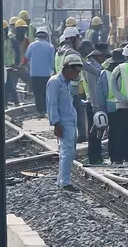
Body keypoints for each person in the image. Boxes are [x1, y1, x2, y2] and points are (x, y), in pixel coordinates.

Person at [48, 53, 85, 191]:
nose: (77, 75)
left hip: (70, 120)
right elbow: (51, 104)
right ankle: (65, 183)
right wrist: (56, 123)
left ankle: (61, 180)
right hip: (63, 122)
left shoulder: (68, 83)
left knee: (69, 152)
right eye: (76, 72)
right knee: (67, 151)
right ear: (68, 69)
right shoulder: (55, 82)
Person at [81, 45, 110, 164]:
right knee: (95, 132)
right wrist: (98, 107)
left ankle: (96, 156)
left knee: (96, 132)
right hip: (94, 104)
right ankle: (94, 157)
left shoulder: (91, 66)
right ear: (98, 56)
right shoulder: (92, 68)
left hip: (91, 103)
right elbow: (94, 89)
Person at [99, 48, 125, 163]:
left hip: (110, 107)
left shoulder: (104, 73)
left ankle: (113, 157)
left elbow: (101, 93)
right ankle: (120, 157)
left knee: (112, 133)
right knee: (122, 132)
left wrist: (101, 109)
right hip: (123, 106)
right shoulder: (123, 72)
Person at [25, 27, 56, 115]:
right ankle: (46, 110)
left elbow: (27, 57)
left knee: (37, 92)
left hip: (34, 74)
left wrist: (29, 67)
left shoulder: (32, 45)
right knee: (45, 92)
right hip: (46, 74)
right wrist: (53, 71)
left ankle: (40, 111)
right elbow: (52, 62)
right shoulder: (50, 47)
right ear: (46, 36)